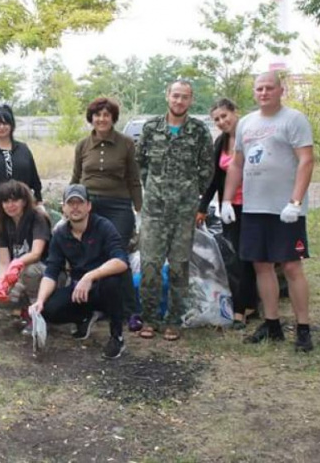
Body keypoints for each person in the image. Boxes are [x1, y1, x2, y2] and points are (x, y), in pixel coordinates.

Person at [222, 71, 315, 352]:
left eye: (269, 88)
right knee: (261, 265)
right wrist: (226, 201)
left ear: (280, 90)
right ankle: (272, 324)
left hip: (285, 209)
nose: (264, 93)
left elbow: (306, 160)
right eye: (259, 88)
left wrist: (295, 202)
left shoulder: (294, 120)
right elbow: (236, 164)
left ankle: (303, 328)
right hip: (254, 207)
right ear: (254, 92)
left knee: (290, 266)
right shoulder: (247, 123)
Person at [135, 79, 214, 341]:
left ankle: (174, 320)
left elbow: (207, 169)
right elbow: (140, 163)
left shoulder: (200, 131)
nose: (179, 101)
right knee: (149, 266)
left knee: (180, 267)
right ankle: (149, 319)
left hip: (183, 212)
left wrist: (190, 193)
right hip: (155, 211)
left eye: (185, 97)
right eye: (176, 95)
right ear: (167, 96)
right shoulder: (150, 128)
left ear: (191, 101)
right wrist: (155, 188)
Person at [29, 184, 128, 359]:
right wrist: (40, 301)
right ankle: (84, 317)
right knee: (49, 309)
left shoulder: (103, 226)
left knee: (113, 282)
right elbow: (51, 271)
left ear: (88, 206)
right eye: (70, 203)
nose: (75, 207)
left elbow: (121, 261)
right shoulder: (60, 234)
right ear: (63, 208)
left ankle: (116, 337)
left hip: (102, 286)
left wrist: (90, 276)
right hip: (79, 291)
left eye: (80, 203)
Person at [71, 97, 143, 329]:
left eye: (106, 115)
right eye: (97, 115)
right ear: (91, 118)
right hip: (89, 206)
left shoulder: (126, 143)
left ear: (113, 118)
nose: (101, 119)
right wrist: (69, 208)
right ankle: (99, 307)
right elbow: (75, 178)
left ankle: (131, 312)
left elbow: (133, 178)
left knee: (117, 257)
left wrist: (139, 209)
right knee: (93, 255)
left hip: (119, 207)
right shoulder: (82, 145)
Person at [196, 98, 259, 329]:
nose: (222, 122)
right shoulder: (221, 142)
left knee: (250, 257)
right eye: (217, 119)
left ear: (235, 112)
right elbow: (214, 179)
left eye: (224, 116)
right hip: (230, 207)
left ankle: (241, 310)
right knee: (238, 257)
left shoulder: (252, 137)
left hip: (255, 205)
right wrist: (202, 208)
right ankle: (249, 304)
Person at [0, 180, 51, 332]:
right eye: (5, 201)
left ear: (24, 201)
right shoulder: (1, 225)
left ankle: (37, 314)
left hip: (46, 273)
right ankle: (24, 310)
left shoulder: (38, 218)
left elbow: (36, 254)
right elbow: (4, 262)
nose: (10, 205)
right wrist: (2, 283)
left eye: (14, 200)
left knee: (29, 270)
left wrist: (16, 264)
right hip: (18, 272)